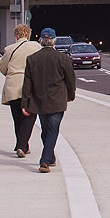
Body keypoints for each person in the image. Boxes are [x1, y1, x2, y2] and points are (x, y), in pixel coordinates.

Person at [21, 27, 76, 173]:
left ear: (40, 41)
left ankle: (49, 157)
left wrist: (24, 103)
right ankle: (45, 161)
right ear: (54, 40)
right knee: (51, 130)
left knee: (46, 130)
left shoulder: (32, 59)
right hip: (57, 100)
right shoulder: (63, 58)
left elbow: (27, 83)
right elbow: (70, 79)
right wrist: (71, 94)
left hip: (38, 100)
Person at [0, 24, 42, 158]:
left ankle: (22, 144)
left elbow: (2, 68)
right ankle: (22, 145)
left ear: (16, 35)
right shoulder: (36, 47)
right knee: (30, 116)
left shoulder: (9, 49)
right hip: (30, 85)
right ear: (28, 34)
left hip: (13, 85)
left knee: (17, 117)